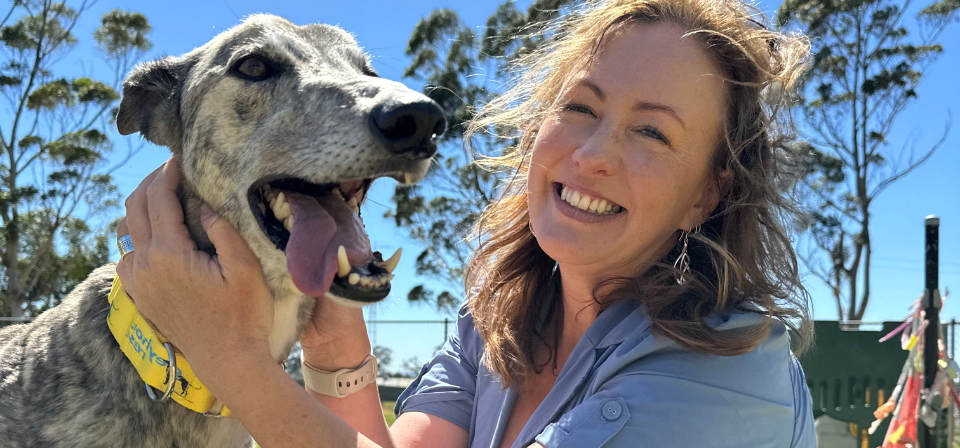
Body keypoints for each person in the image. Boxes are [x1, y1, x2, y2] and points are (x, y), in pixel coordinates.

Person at [115, 0, 817, 446]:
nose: (594, 154)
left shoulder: (727, 376)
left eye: (653, 134)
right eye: (580, 109)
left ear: (706, 196)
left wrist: (226, 356)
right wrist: (335, 341)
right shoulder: (499, 322)